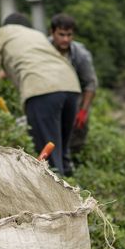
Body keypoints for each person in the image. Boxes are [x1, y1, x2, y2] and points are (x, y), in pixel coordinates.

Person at [0, 13, 81, 175]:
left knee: (49, 158)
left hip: (41, 88)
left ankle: (58, 196)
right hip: (71, 85)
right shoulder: (37, 35)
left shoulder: (0, 34)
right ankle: (74, 190)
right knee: (60, 150)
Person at [48, 13, 97, 176]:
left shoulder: (80, 55)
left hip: (74, 96)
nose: (65, 39)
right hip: (48, 92)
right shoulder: (42, 49)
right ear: (52, 32)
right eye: (61, 35)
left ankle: (69, 164)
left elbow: (90, 83)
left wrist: (83, 111)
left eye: (69, 35)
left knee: (75, 131)